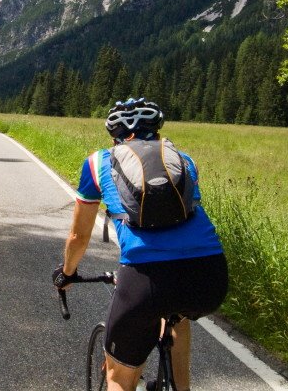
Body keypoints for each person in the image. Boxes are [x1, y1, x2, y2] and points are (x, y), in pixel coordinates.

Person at [53, 98, 228, 391]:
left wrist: (67, 273)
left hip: (146, 277)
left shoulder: (98, 163)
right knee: (178, 314)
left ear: (114, 136)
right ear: (158, 132)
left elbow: (78, 237)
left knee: (120, 378)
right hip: (210, 275)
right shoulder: (184, 160)